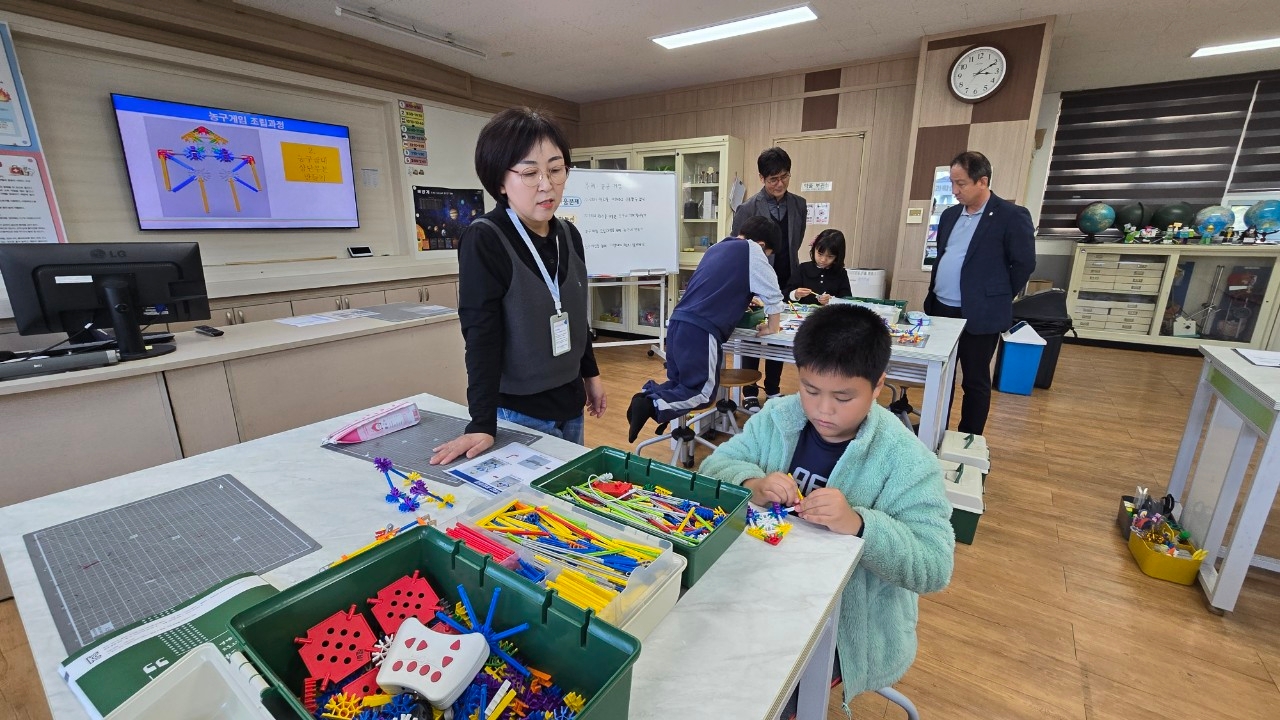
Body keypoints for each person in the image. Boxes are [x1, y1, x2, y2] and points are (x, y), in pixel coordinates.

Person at [699, 304, 954, 710]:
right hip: (757, 586)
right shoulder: (778, 417)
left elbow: (934, 566)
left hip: (842, 624)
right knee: (706, 663)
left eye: (843, 397)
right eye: (810, 390)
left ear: (878, 385)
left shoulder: (905, 460)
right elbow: (714, 467)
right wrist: (753, 484)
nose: (823, 409)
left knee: (764, 697)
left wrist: (860, 524)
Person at [430, 107, 605, 465]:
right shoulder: (485, 238)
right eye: (529, 173)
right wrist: (482, 423)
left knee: (569, 490)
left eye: (556, 169)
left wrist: (591, 374)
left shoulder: (569, 234)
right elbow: (481, 333)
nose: (547, 184)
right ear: (499, 181)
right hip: (518, 412)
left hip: (570, 403)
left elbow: (575, 314)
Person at [626, 216, 784, 443]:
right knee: (703, 393)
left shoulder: (717, 247)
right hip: (701, 330)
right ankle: (652, 405)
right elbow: (773, 293)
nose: (766, 258)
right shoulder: (752, 250)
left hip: (678, 322)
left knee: (681, 384)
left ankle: (646, 396)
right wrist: (772, 326)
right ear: (761, 245)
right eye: (767, 254)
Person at [923, 150, 1036, 435]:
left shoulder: (1011, 216)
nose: (954, 190)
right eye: (952, 182)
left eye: (961, 183)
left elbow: (1024, 264)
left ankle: (968, 439)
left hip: (980, 314)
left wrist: (997, 296)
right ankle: (934, 434)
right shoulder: (949, 215)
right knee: (941, 377)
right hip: (942, 309)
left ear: (982, 181)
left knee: (974, 380)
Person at [732, 147, 807, 413]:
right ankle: (750, 391)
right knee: (753, 335)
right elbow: (738, 247)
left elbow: (796, 241)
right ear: (762, 178)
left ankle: (773, 388)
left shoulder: (799, 204)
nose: (780, 184)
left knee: (778, 333)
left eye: (784, 177)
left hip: (786, 277)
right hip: (755, 282)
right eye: (773, 179)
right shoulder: (748, 208)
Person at [786, 229, 852, 305]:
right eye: (820, 254)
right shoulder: (803, 269)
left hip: (829, 312)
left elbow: (847, 300)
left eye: (830, 256)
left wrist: (832, 300)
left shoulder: (841, 273)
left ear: (837, 257)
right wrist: (795, 294)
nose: (823, 260)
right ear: (814, 249)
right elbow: (785, 294)